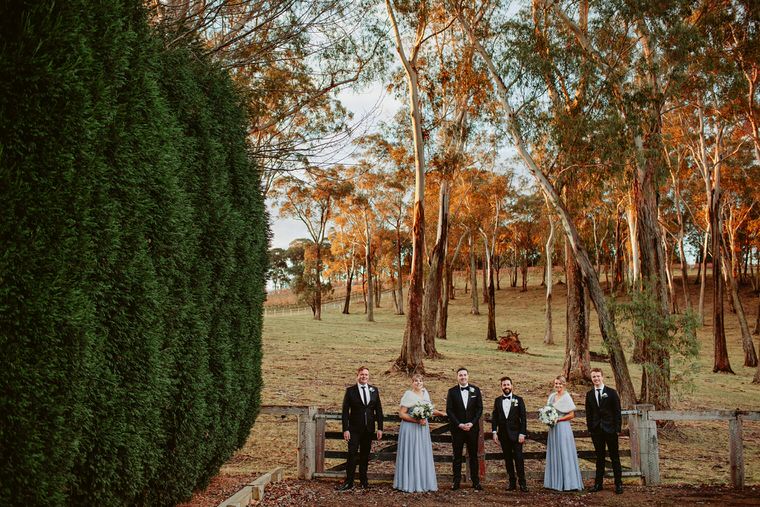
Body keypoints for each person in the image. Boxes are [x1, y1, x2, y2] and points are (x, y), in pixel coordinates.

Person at [393, 374, 445, 492]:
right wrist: (416, 420)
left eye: (420, 381)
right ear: (412, 383)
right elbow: (402, 413)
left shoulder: (425, 393)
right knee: (411, 452)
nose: (418, 383)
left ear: (423, 382)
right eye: (415, 381)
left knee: (421, 453)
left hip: (422, 429)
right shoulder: (408, 395)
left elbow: (429, 409)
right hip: (410, 427)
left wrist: (441, 413)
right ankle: (408, 483)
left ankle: (422, 482)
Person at [337, 366, 383, 491]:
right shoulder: (350, 391)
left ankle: (364, 481)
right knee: (352, 454)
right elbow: (345, 412)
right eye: (362, 374)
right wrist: (345, 429)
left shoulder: (374, 390)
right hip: (354, 429)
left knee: (364, 455)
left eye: (366, 375)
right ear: (357, 375)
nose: (364, 376)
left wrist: (380, 428)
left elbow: (378, 410)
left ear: (369, 376)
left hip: (368, 429)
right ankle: (349, 482)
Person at [586, 367, 623, 494]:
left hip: (611, 430)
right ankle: (598, 484)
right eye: (593, 377)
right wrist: (590, 429)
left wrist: (617, 429)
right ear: (592, 379)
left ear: (602, 377)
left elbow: (617, 412)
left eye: (598, 376)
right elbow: (589, 414)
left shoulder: (611, 393)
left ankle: (618, 484)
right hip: (596, 431)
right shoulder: (589, 394)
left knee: (614, 457)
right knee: (599, 458)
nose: (596, 378)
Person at [543, 375, 584, 491]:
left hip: (563, 427)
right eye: (556, 384)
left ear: (564, 384)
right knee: (555, 451)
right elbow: (548, 410)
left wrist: (559, 419)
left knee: (564, 451)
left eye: (560, 384)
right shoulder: (551, 397)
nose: (558, 386)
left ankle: (568, 482)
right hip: (553, 428)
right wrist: (548, 418)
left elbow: (571, 415)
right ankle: (554, 482)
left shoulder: (566, 397)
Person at [446, 367, 483, 491]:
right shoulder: (452, 391)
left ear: (468, 376)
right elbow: (449, 410)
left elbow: (479, 409)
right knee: (457, 456)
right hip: (458, 429)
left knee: (473, 455)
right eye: (460, 375)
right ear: (457, 377)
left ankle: (476, 482)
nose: (463, 377)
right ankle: (456, 482)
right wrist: (459, 424)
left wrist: (472, 423)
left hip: (472, 429)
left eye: (465, 375)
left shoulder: (475, 390)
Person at [491, 376, 528, 492]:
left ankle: (523, 483)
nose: (506, 387)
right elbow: (495, 418)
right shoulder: (497, 400)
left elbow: (523, 418)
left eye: (508, 384)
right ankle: (512, 482)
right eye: (504, 385)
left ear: (512, 386)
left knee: (519, 459)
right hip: (504, 436)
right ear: (501, 387)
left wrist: (522, 433)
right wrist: (494, 432)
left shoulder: (519, 400)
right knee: (507, 460)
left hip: (517, 435)